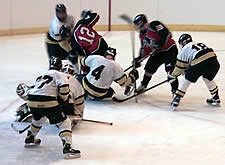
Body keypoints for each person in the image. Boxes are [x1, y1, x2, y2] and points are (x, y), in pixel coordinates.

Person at [23, 57, 80, 159]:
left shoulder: (42, 74)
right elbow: (64, 89)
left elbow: (36, 89)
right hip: (47, 100)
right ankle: (67, 148)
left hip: (31, 100)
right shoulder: (60, 74)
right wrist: (63, 100)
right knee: (64, 122)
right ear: (60, 66)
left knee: (39, 119)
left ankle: (30, 138)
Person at [168, 34, 220, 109]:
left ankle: (177, 98)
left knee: (187, 79)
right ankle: (216, 97)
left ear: (184, 42)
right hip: (214, 61)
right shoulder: (199, 44)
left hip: (199, 63)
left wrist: (172, 76)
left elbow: (179, 67)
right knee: (208, 78)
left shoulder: (185, 49)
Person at [131, 14, 178, 96]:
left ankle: (175, 92)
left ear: (142, 23)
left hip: (169, 50)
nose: (138, 28)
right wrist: (139, 59)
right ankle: (143, 85)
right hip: (157, 53)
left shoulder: (154, 24)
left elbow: (165, 33)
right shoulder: (142, 35)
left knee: (170, 71)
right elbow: (144, 49)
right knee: (149, 69)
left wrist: (159, 45)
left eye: (138, 25)